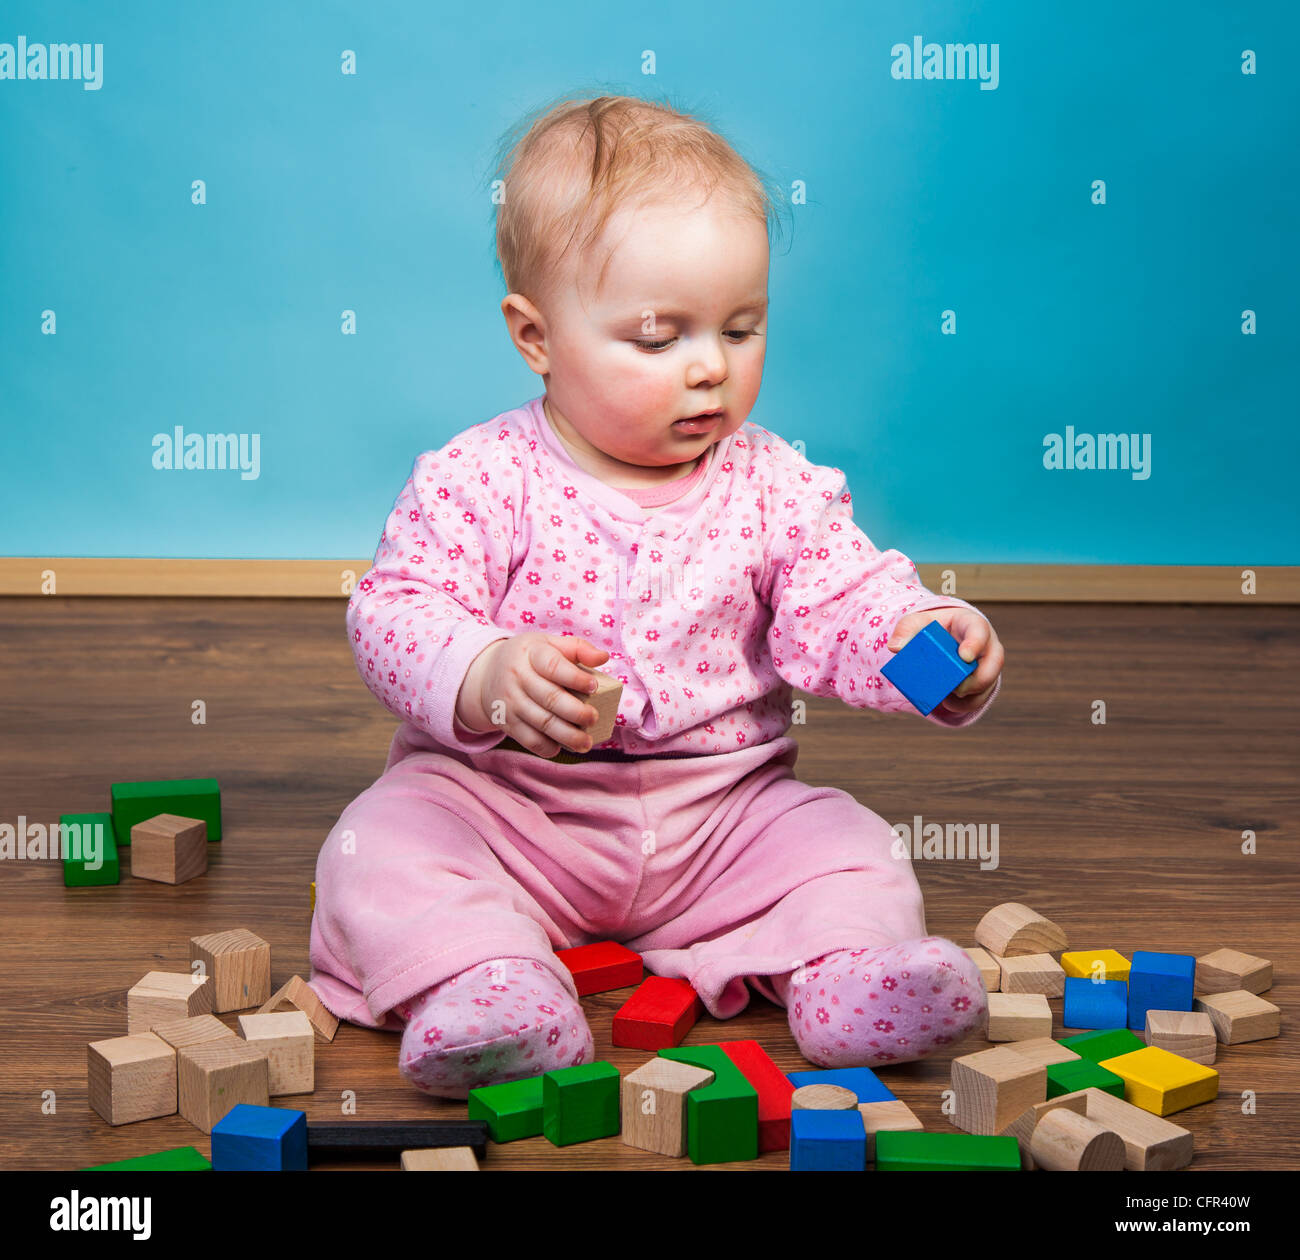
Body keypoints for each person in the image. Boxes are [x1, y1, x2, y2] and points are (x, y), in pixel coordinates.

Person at [309, 93, 1005, 1099]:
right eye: (656, 337)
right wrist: (486, 673)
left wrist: (925, 636)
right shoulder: (477, 479)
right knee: (381, 846)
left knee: (848, 844)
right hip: (512, 811)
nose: (708, 368)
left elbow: (844, 596)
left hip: (721, 816)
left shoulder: (775, 485)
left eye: (740, 327)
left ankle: (851, 975)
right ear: (536, 337)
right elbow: (396, 612)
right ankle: (489, 984)